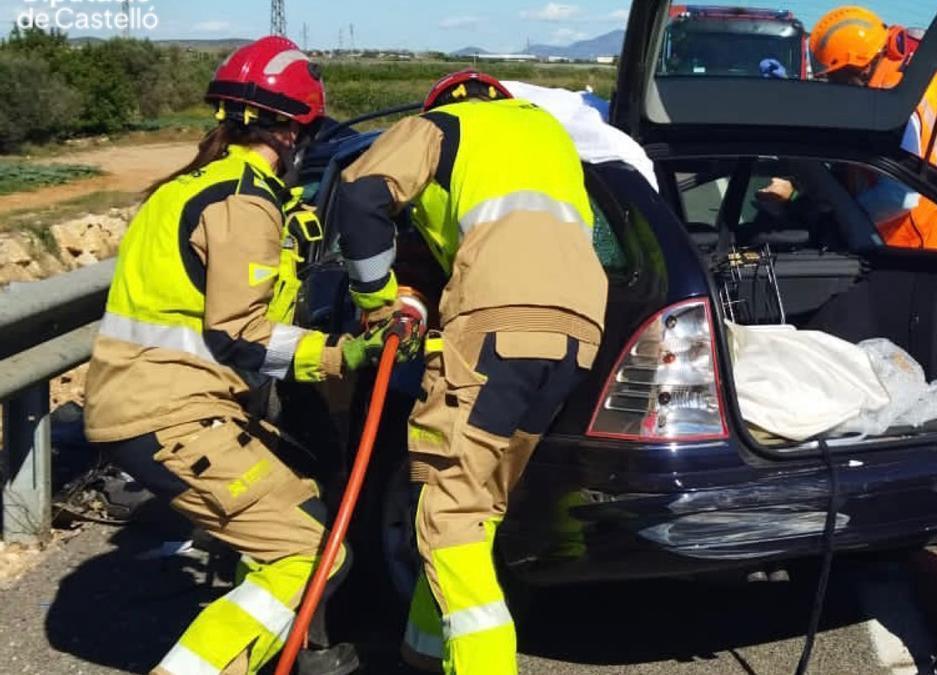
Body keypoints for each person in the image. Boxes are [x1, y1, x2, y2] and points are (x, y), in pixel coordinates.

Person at [83, 36, 405, 675]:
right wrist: (346, 355)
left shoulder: (189, 187)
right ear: (292, 131)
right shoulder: (243, 200)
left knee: (292, 513)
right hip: (169, 414)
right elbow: (242, 336)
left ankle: (278, 655)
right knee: (309, 549)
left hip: (156, 405)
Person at [327, 69, 607, 674]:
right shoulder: (550, 137)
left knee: (446, 511)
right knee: (477, 507)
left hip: (498, 321)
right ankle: (425, 654)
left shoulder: (438, 125)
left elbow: (361, 194)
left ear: (448, 102)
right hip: (580, 330)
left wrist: (376, 302)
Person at [797, 5, 937, 252]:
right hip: (933, 247)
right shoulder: (901, 85)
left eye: (836, 78)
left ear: (860, 67)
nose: (834, 86)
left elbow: (899, 196)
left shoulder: (894, 102)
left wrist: (839, 217)